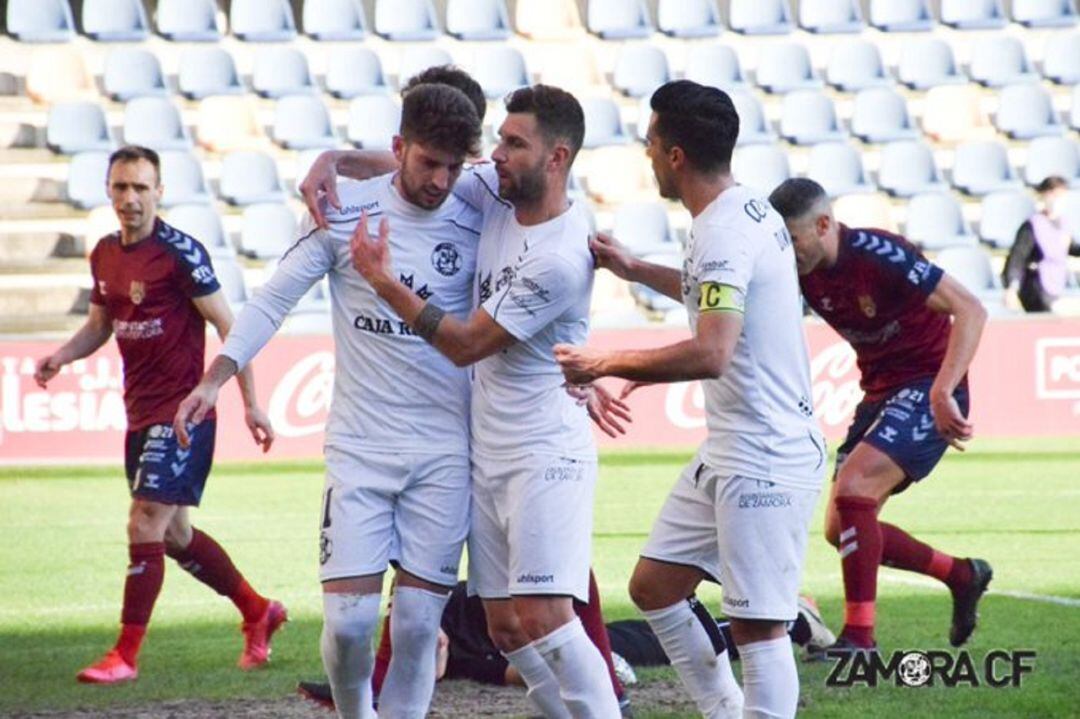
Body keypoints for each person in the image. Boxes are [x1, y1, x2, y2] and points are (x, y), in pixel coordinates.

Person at [174, 83, 490, 719]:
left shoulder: (476, 209)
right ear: (398, 148)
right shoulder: (341, 210)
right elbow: (272, 298)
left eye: (454, 166)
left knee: (418, 630)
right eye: (429, 162)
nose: (441, 179)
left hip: (446, 453)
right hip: (359, 450)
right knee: (348, 627)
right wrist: (215, 378)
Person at [348, 84, 622, 717]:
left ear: (556, 158)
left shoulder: (560, 255)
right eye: (499, 139)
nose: (495, 153)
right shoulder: (497, 193)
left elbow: (468, 343)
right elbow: (413, 165)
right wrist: (331, 162)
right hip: (488, 452)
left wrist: (385, 283)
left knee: (548, 615)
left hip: (545, 452)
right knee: (503, 627)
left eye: (513, 143)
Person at [554, 80, 825, 719]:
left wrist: (606, 361)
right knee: (654, 586)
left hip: (765, 454)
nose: (646, 154)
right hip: (734, 448)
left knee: (760, 630)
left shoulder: (723, 231)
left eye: (651, 142)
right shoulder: (744, 212)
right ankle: (723, 710)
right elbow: (717, 295)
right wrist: (635, 269)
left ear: (674, 155)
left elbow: (712, 351)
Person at [34, 145, 280, 685]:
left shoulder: (179, 254)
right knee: (173, 537)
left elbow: (230, 328)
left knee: (144, 520)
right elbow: (101, 326)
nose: (130, 198)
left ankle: (124, 655)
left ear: (159, 192)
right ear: (109, 191)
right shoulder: (103, 254)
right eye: (121, 187)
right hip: (140, 415)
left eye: (141, 188)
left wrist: (250, 402)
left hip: (183, 415)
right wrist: (62, 356)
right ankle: (259, 610)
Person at [768, 177, 993, 655]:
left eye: (793, 239)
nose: (787, 252)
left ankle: (859, 639)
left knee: (853, 491)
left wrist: (942, 390)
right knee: (842, 529)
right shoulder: (797, 270)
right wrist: (638, 270)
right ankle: (962, 574)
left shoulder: (878, 255)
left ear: (824, 224)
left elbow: (970, 308)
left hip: (927, 385)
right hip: (879, 393)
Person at [298, 571, 632, 714]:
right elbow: (499, 670)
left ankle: (612, 693)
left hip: (519, 444)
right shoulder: (461, 662)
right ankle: (609, 693)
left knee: (547, 611)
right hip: (476, 625)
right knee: (511, 627)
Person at [1003, 176, 1080, 313]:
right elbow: (1017, 257)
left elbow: (1070, 247)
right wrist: (1012, 286)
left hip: (1055, 283)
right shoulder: (1033, 225)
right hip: (1036, 285)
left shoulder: (1062, 225)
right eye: (1054, 195)